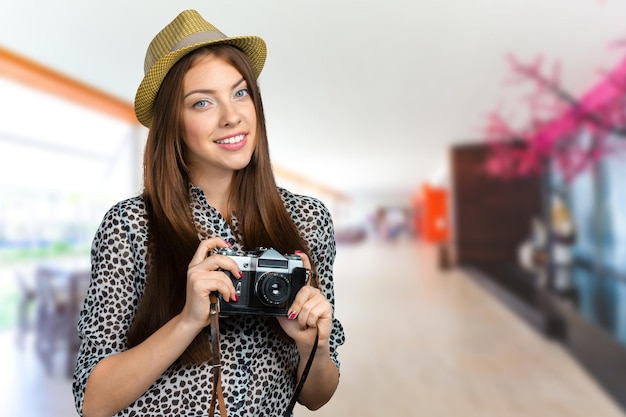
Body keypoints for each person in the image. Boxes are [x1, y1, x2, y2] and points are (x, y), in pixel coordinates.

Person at [72, 9, 345, 417]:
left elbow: (317, 396)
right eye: (202, 102)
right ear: (173, 124)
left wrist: (313, 344)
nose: (231, 115)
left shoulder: (306, 219)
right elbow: (92, 402)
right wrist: (187, 321)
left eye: (240, 93)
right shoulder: (129, 227)